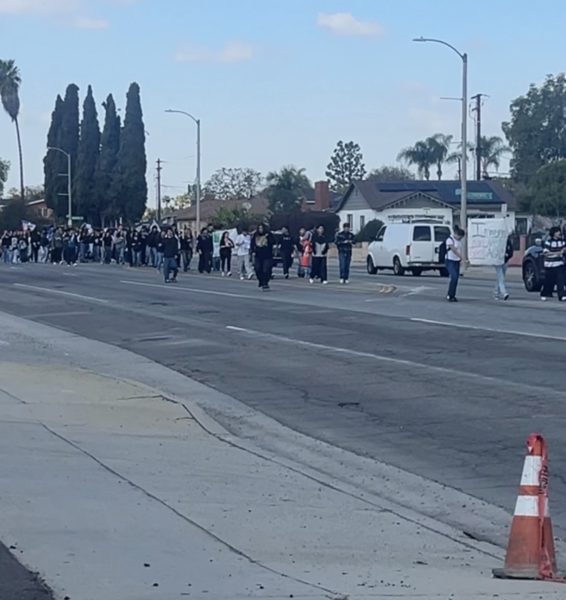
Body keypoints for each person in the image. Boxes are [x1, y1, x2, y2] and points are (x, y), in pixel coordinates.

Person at [540, 226, 566, 302]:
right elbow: (546, 253)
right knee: (548, 281)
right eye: (557, 231)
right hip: (550, 265)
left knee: (561, 280)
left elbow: (564, 250)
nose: (559, 233)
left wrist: (562, 252)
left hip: (559, 264)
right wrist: (558, 253)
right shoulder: (548, 242)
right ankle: (544, 294)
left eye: (559, 231)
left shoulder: (562, 242)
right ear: (554, 233)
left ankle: (562, 295)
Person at [251, 223, 274, 290]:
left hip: (267, 255)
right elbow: (252, 244)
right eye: (259, 228)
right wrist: (253, 251)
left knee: (266, 270)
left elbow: (273, 242)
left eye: (262, 228)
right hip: (258, 255)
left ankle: (265, 282)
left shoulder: (269, 234)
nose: (261, 230)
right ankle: (260, 281)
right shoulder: (256, 235)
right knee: (257, 269)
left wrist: (268, 237)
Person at [445, 226, 465, 302]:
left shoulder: (459, 242)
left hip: (457, 261)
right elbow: (454, 250)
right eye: (459, 237)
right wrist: (462, 258)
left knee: (456, 279)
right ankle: (450, 295)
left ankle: (452, 295)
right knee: (454, 276)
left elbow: (460, 251)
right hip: (450, 260)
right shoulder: (449, 240)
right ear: (456, 234)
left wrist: (462, 258)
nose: (460, 239)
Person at [494, 234, 514, 301]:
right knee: (501, 278)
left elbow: (511, 251)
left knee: (500, 278)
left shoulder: (508, 242)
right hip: (497, 262)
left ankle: (496, 293)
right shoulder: (497, 242)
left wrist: (507, 256)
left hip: (505, 261)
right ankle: (504, 293)